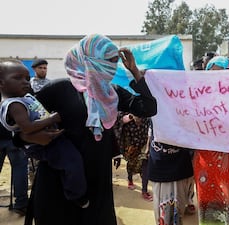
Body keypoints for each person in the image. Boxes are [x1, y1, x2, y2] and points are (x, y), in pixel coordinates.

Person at [13, 34, 157, 225]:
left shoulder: (112, 92)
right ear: (89, 60)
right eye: (108, 60)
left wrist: (134, 71)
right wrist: (29, 136)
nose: (112, 66)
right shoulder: (59, 89)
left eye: (115, 61)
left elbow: (149, 108)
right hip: (60, 179)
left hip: (98, 181)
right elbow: (19, 129)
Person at [0, 59, 89, 208]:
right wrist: (53, 118)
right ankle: (76, 195)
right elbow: (27, 128)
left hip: (49, 138)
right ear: (1, 83)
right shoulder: (14, 104)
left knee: (68, 162)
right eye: (18, 78)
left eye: (27, 79)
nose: (25, 82)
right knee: (72, 162)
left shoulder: (25, 97)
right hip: (42, 144)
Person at [193, 55, 229, 225]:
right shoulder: (197, 100)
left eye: (222, 73)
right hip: (207, 162)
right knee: (210, 205)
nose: (217, 79)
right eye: (212, 74)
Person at [147, 119, 194, 225]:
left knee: (178, 211)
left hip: (181, 163)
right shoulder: (155, 105)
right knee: (162, 213)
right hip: (160, 163)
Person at [113, 111, 153, 201]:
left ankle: (144, 190)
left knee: (145, 164)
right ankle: (130, 179)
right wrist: (131, 116)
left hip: (144, 139)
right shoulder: (127, 102)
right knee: (131, 163)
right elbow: (118, 119)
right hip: (130, 140)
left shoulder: (147, 103)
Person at [0, 123, 28, 215]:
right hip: (12, 135)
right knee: (19, 167)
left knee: (19, 167)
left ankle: (22, 203)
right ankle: (21, 204)